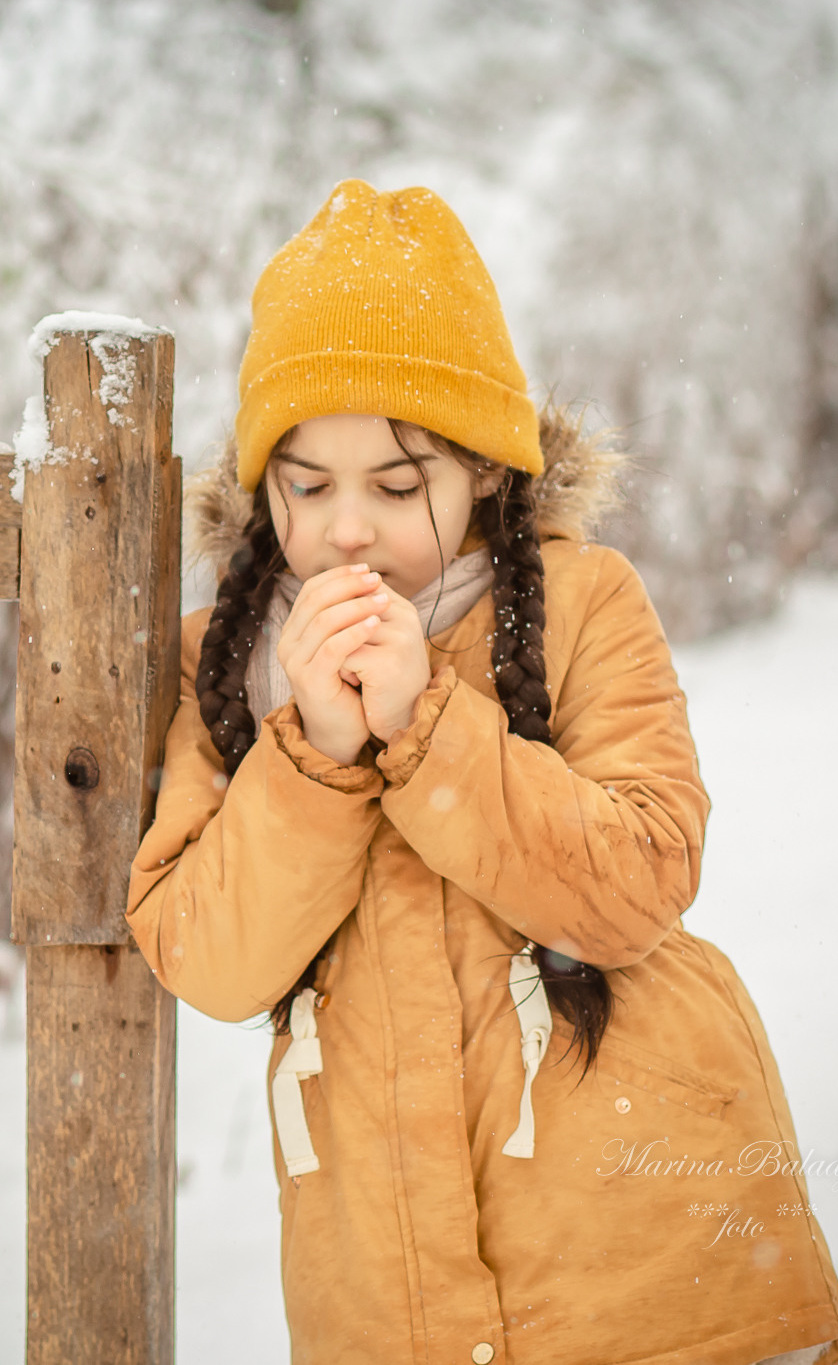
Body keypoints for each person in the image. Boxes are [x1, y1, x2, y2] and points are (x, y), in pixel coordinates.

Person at [125, 179, 838, 1364]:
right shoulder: (228, 671)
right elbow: (209, 957)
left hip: (655, 1252)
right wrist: (315, 754)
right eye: (307, 485)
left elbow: (642, 879)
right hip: (387, 1285)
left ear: (486, 477)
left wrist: (429, 728)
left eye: (397, 487)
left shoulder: (583, 603)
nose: (347, 529)